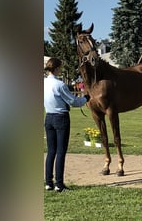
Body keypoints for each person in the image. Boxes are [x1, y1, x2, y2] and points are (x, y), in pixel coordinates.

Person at [44, 57, 90, 192]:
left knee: (51, 151)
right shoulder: (60, 85)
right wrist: (86, 98)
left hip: (48, 117)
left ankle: (48, 182)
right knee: (61, 151)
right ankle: (59, 184)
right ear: (57, 68)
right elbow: (74, 102)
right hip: (61, 117)